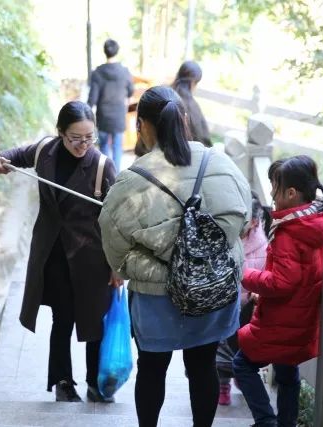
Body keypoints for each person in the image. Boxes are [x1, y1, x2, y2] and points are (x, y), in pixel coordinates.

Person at [98, 86, 251, 427]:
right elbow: (245, 217)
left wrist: (135, 267)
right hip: (212, 291)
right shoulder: (220, 163)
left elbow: (113, 242)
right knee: (203, 367)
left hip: (156, 296)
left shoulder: (132, 179)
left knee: (152, 369)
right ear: (184, 119)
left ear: (142, 127)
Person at [0, 101, 123, 403]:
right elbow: (13, 156)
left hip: (91, 258)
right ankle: (63, 382)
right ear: (60, 133)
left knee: (94, 320)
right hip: (54, 254)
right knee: (62, 320)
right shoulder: (44, 151)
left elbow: (117, 220)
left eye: (89, 138)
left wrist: (117, 265)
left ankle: (96, 383)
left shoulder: (102, 166)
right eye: (76, 138)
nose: (83, 145)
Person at [233, 155, 323, 427]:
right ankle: (286, 423)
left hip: (280, 320)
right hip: (300, 319)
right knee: (287, 373)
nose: (271, 192)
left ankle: (265, 421)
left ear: (291, 193)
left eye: (275, 186)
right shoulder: (314, 224)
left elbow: (281, 282)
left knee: (242, 364)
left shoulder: (290, 231)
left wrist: (245, 275)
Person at [216, 191, 270, 406]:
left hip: (247, 307)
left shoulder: (264, 246)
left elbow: (268, 274)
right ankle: (222, 385)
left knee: (241, 347)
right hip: (223, 302)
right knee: (219, 349)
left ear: (255, 221)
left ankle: (239, 375)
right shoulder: (225, 235)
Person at [88, 39, 134, 172]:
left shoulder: (97, 73)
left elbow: (93, 98)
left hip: (103, 116)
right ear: (117, 51)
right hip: (119, 115)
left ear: (105, 52)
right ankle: (116, 175)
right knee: (117, 147)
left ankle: (104, 174)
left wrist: (85, 113)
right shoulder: (125, 72)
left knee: (103, 147)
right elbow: (131, 90)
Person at [172, 60, 212, 147]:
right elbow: (202, 138)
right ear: (193, 82)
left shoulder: (163, 94)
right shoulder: (191, 106)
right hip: (186, 155)